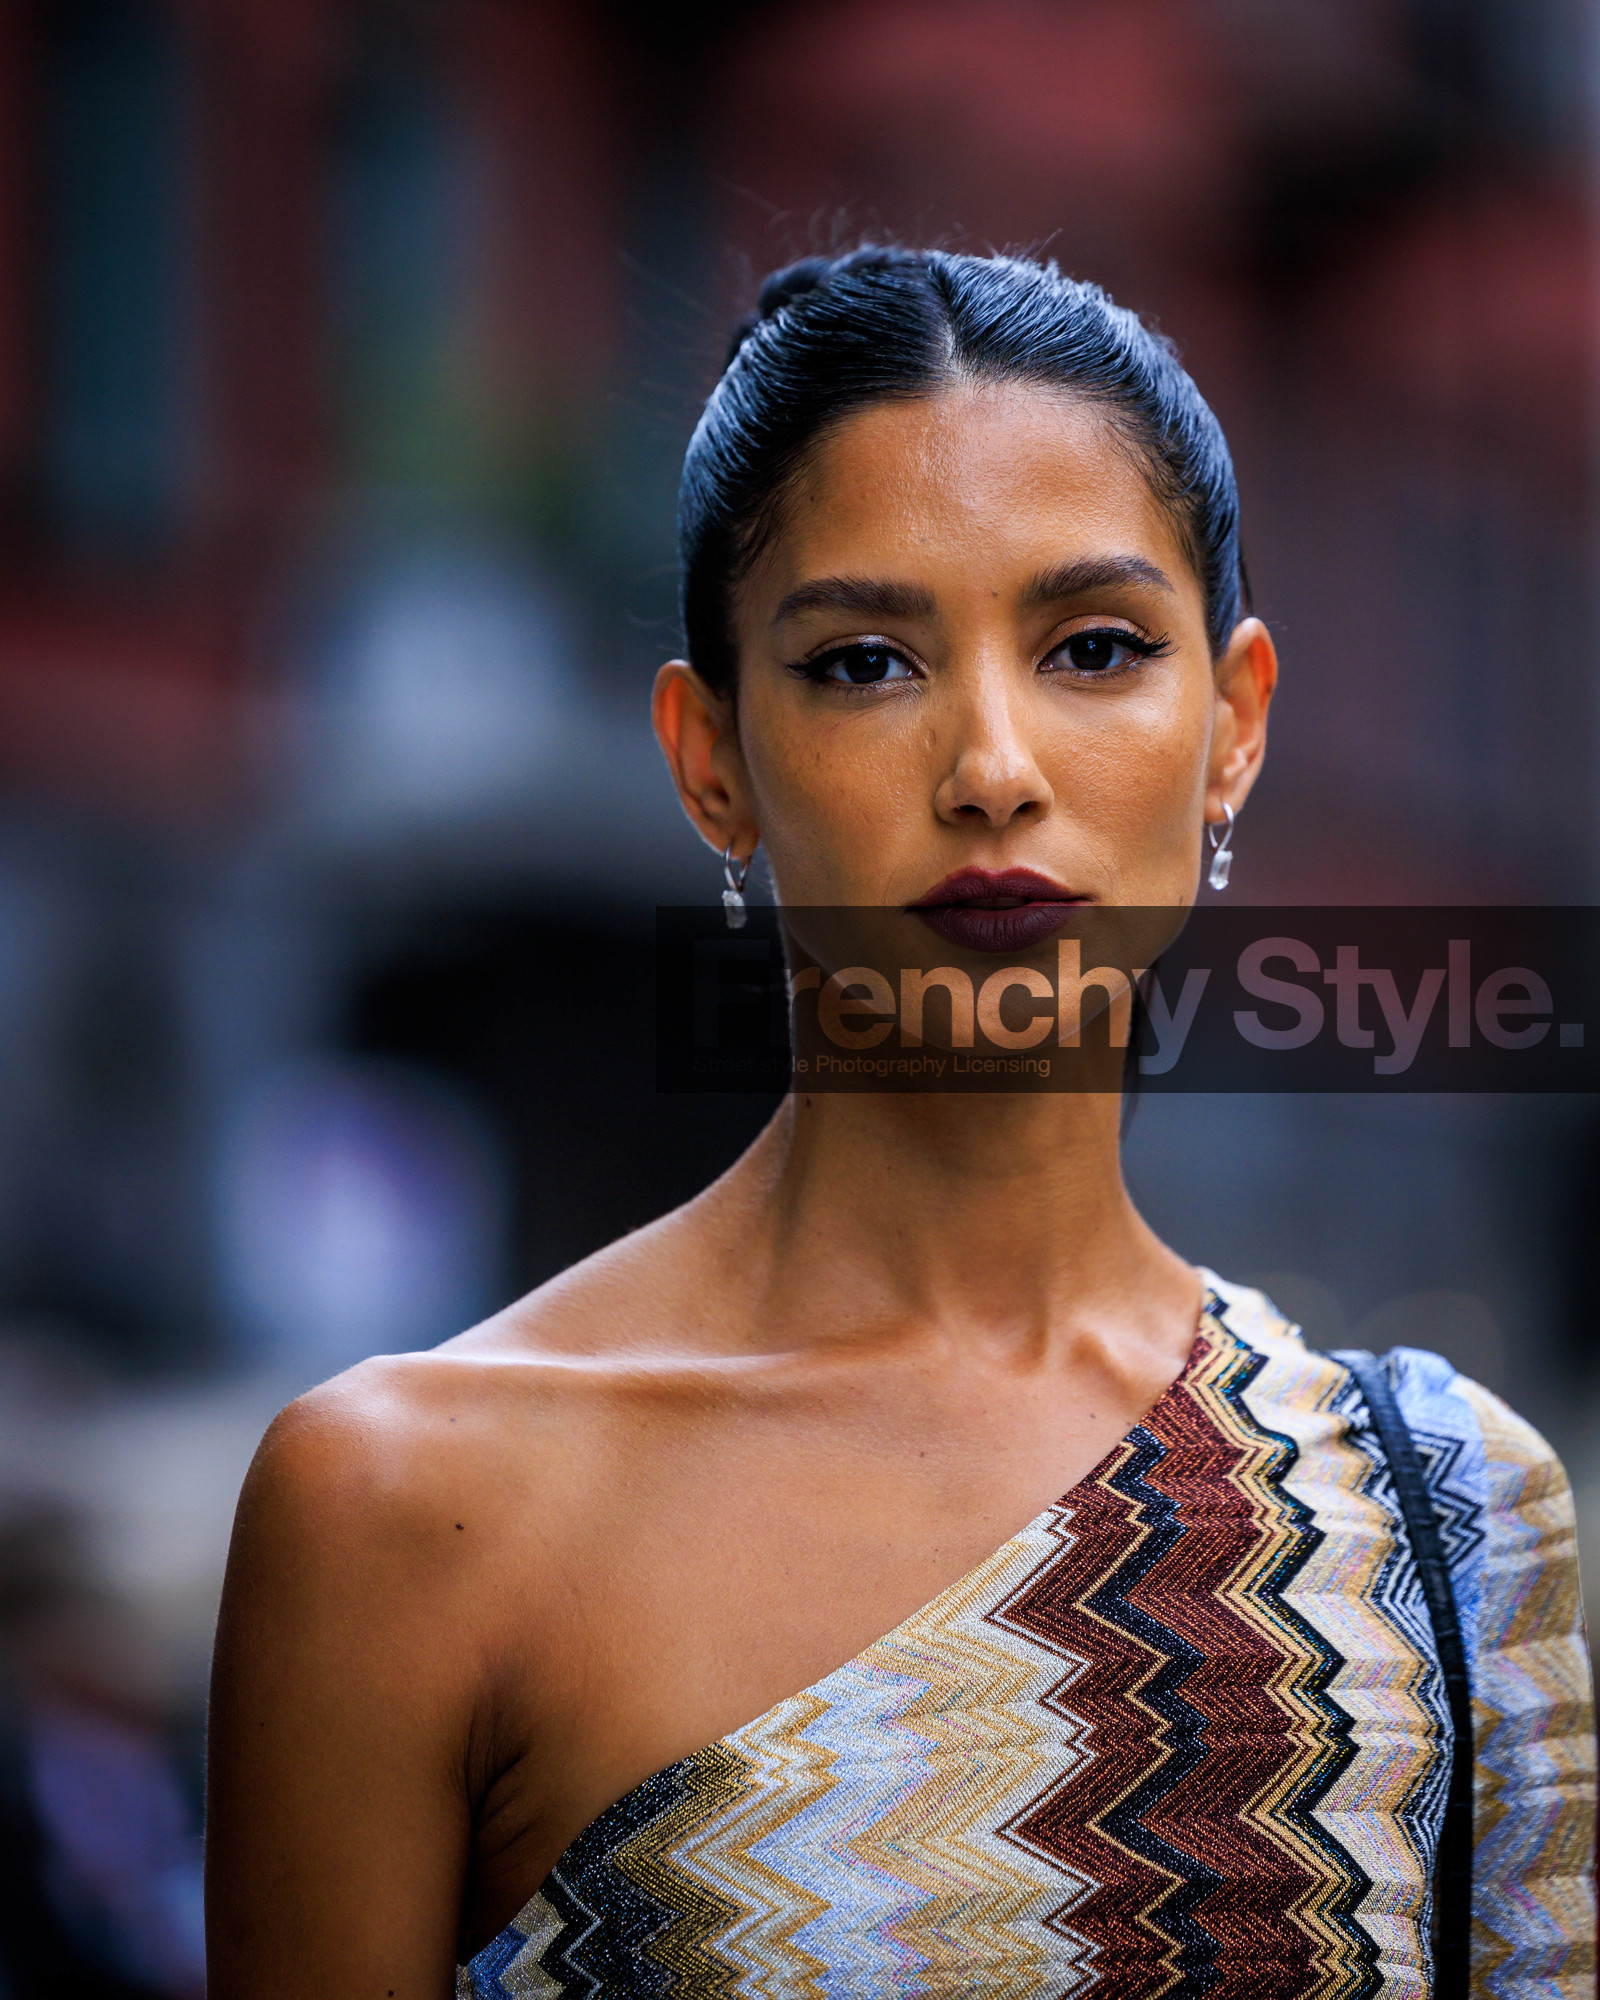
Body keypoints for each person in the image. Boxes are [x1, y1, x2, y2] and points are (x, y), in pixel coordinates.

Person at [205, 249, 1595, 1998]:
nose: (992, 765)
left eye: (1095, 647)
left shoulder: (1445, 1520)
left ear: (1232, 725)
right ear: (710, 758)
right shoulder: (406, 1514)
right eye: (865, 663)